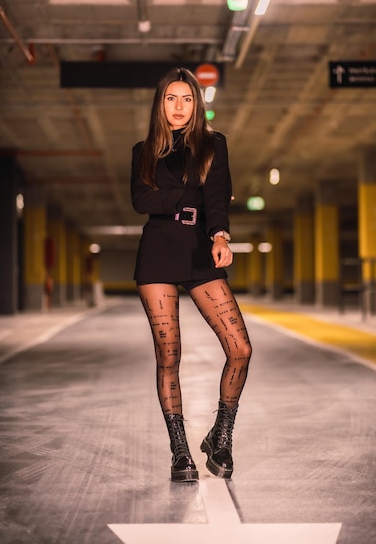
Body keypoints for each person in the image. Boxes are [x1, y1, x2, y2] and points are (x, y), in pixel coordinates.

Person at [131, 67, 252, 483]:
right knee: (170, 357)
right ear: (160, 104)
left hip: (202, 248)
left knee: (240, 348)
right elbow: (141, 200)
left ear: (196, 104)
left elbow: (217, 200)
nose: (179, 107)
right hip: (158, 253)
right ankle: (180, 452)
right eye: (171, 99)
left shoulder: (213, 146)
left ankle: (222, 435)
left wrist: (220, 233)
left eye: (186, 99)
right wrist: (193, 194)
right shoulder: (143, 150)